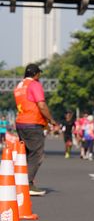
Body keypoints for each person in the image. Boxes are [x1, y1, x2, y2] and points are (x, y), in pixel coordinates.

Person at [14, 64, 59, 195]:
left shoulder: (19, 86)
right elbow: (41, 105)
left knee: (27, 154)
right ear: (35, 74)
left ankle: (23, 182)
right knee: (37, 154)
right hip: (32, 123)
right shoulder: (34, 84)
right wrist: (51, 119)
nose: (39, 76)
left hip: (20, 123)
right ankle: (28, 184)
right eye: (39, 74)